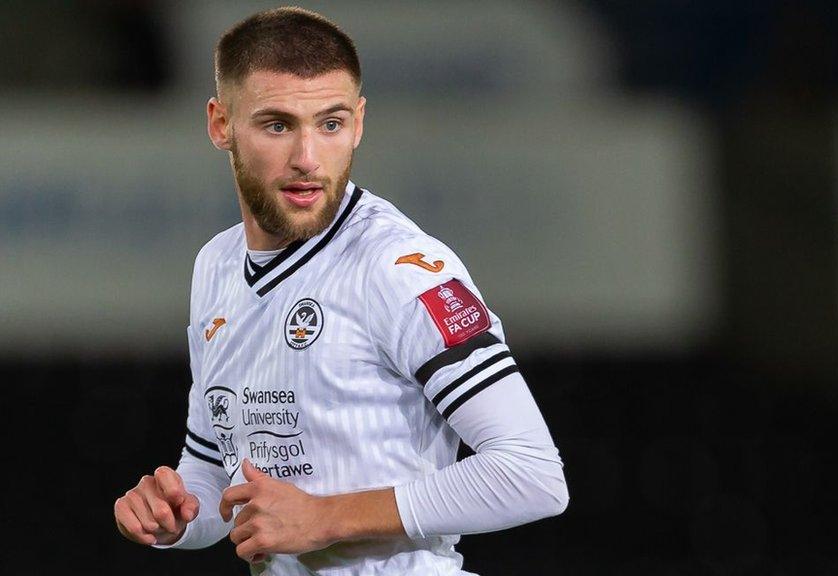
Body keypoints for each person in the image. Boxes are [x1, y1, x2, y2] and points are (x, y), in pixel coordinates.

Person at [112, 7, 568, 575]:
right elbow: (215, 473)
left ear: (358, 122)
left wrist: (328, 517)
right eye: (277, 124)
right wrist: (176, 514)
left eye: (329, 124)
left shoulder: (398, 268)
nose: (307, 159)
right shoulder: (216, 266)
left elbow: (532, 474)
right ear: (220, 124)